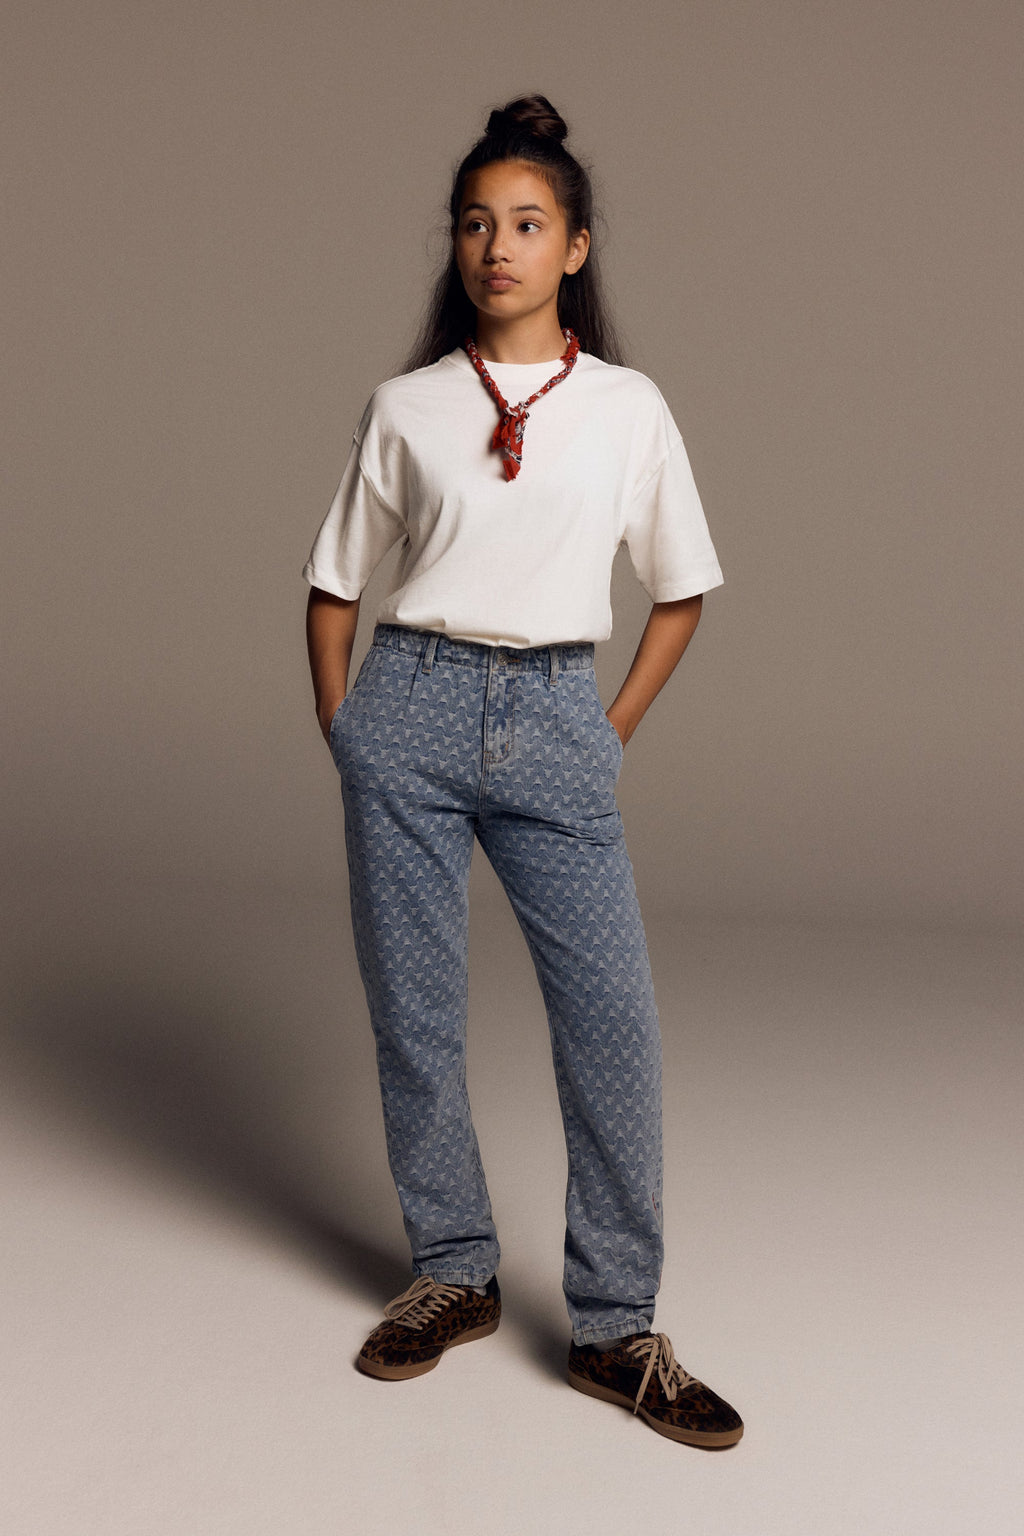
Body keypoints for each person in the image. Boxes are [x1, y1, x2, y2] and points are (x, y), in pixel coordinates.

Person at [303, 94, 743, 1449]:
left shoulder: (626, 408)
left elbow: (680, 590)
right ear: (457, 244)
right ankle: (453, 1269)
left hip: (557, 719)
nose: (500, 247)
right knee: (416, 1014)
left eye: (529, 224)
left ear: (575, 247)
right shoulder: (409, 406)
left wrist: (607, 729)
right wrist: (349, 729)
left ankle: (615, 1327)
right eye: (477, 223)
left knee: (614, 1028)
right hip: (409, 712)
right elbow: (335, 583)